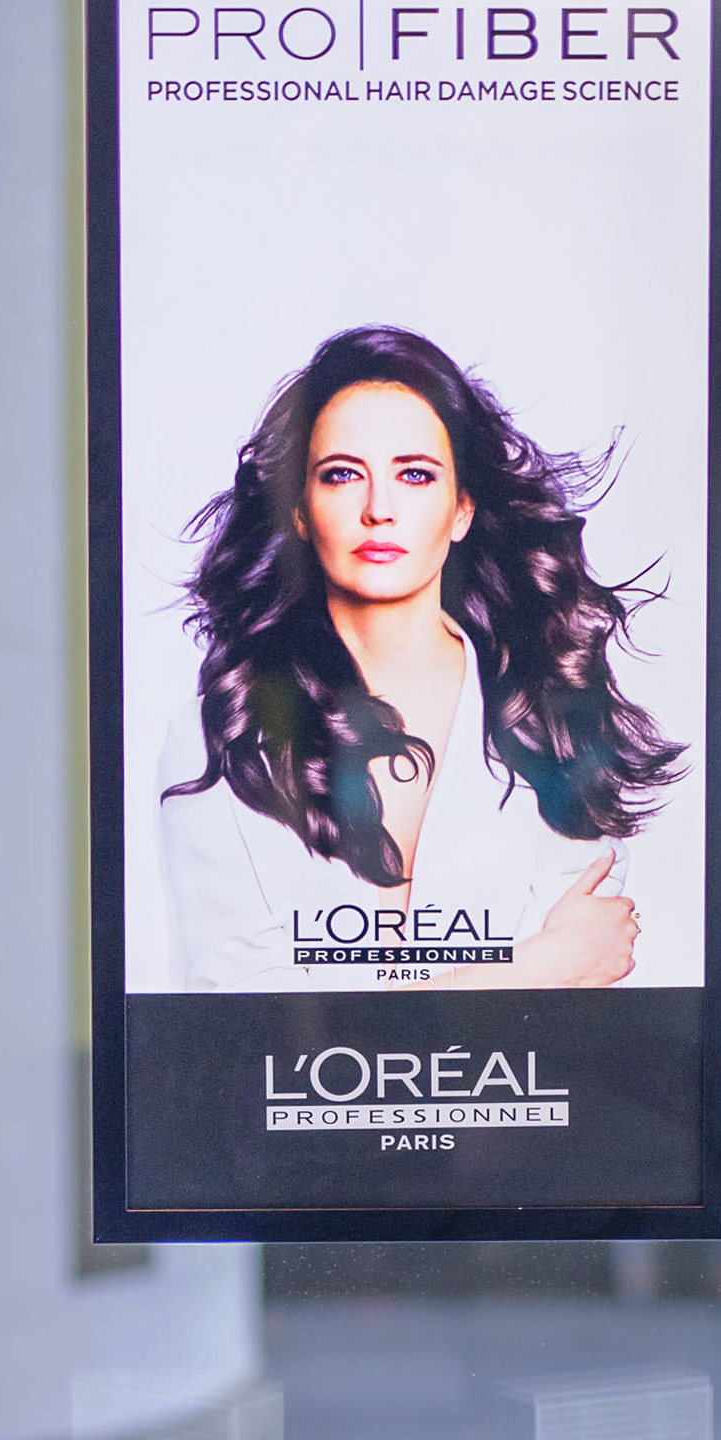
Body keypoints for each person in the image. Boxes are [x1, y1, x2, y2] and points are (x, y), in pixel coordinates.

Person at [156, 324, 684, 992]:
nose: (379, 509)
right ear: (299, 510)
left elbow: (574, 1002)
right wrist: (537, 965)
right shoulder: (218, 735)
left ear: (461, 509)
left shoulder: (549, 720)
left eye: (414, 474)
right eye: (342, 474)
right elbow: (238, 1010)